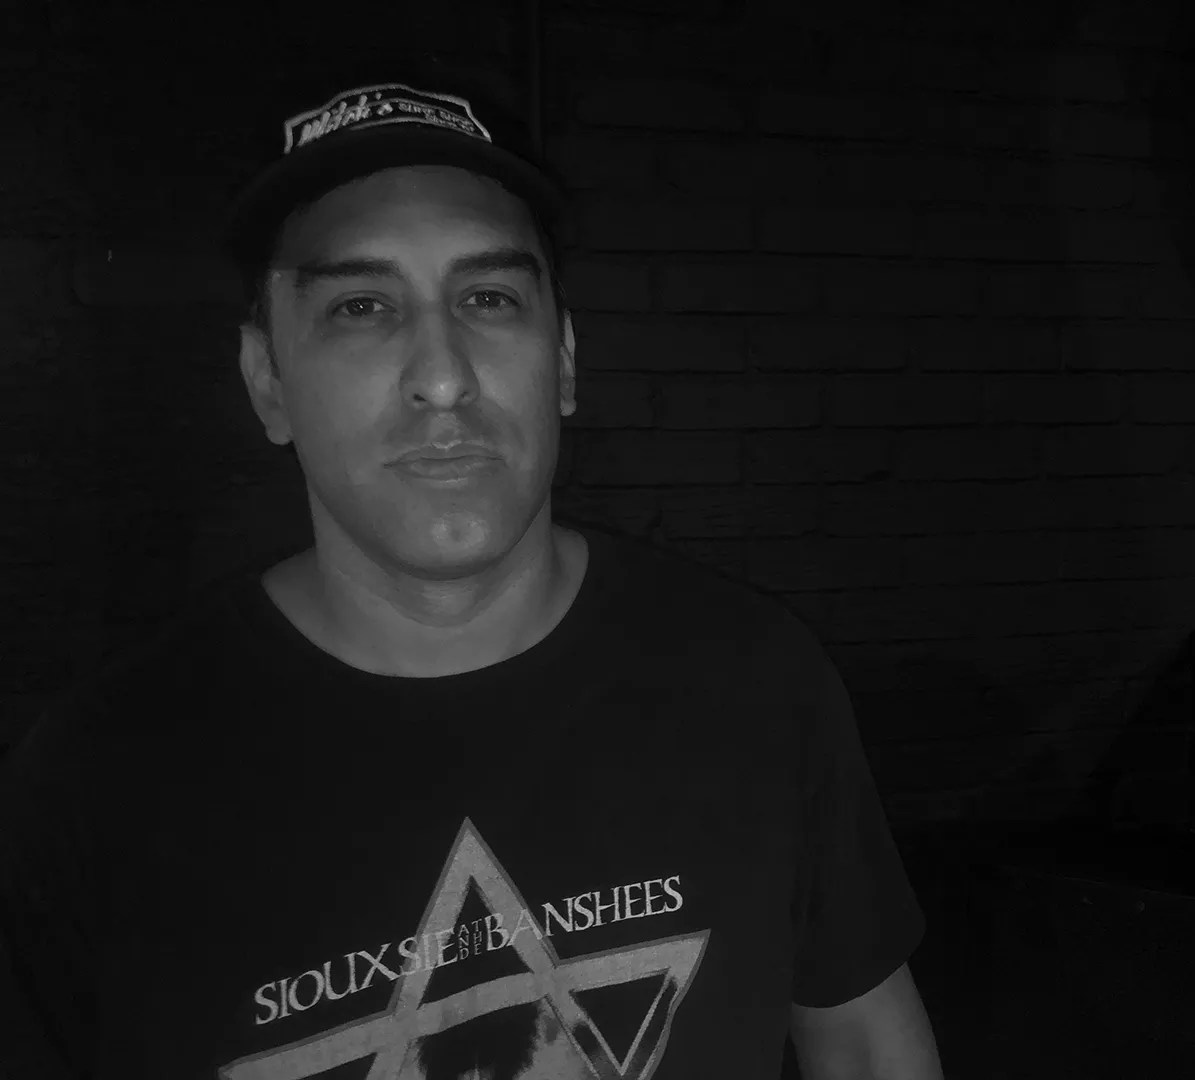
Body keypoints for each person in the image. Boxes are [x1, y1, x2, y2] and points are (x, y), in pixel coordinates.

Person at [0, 54, 942, 1078]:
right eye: (361, 307)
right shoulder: (98, 783)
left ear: (564, 359)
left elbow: (862, 1038)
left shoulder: (756, 678)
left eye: (489, 297)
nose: (443, 378)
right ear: (267, 380)